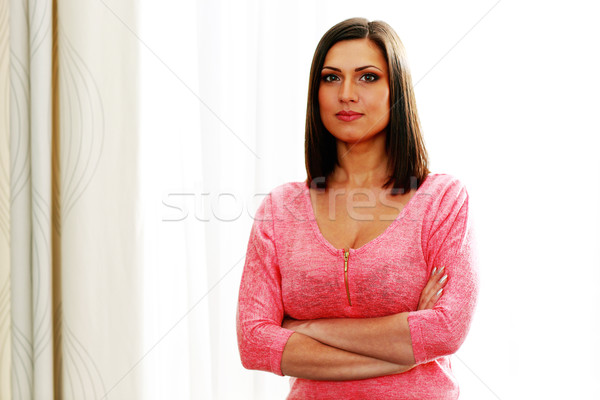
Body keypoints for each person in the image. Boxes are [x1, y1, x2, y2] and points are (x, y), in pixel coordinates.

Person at [237, 17, 478, 399]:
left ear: (395, 89)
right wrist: (403, 346)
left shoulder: (442, 199)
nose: (346, 93)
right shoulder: (280, 209)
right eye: (331, 78)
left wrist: (307, 328)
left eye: (367, 77)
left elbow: (446, 330)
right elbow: (254, 343)